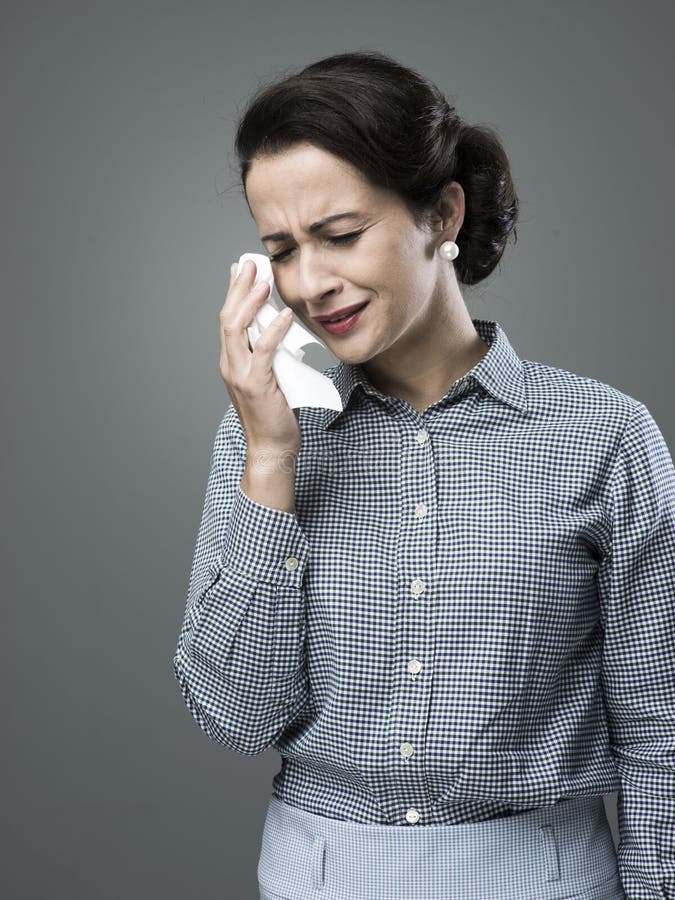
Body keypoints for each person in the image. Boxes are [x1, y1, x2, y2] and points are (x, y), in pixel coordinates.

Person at [171, 50, 675, 900]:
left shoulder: (604, 436)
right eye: (281, 250)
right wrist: (270, 459)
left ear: (441, 214)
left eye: (338, 236)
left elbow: (660, 727)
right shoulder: (263, 438)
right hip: (315, 878)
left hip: (546, 878)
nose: (308, 283)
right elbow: (234, 713)